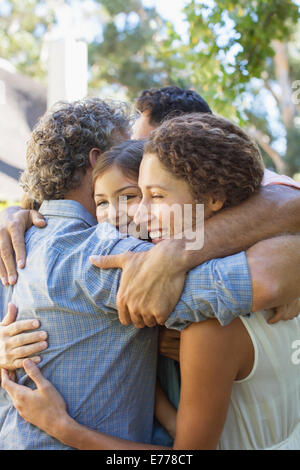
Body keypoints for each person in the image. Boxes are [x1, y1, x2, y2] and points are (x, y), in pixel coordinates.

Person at [2, 113, 300, 449]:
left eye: (152, 195)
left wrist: (64, 427)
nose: (137, 213)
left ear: (214, 197)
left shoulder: (206, 317)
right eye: (136, 194)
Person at [1, 86, 300, 329]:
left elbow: (290, 209)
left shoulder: (116, 247)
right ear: (97, 163)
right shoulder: (107, 249)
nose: (138, 158)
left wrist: (177, 253)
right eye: (131, 148)